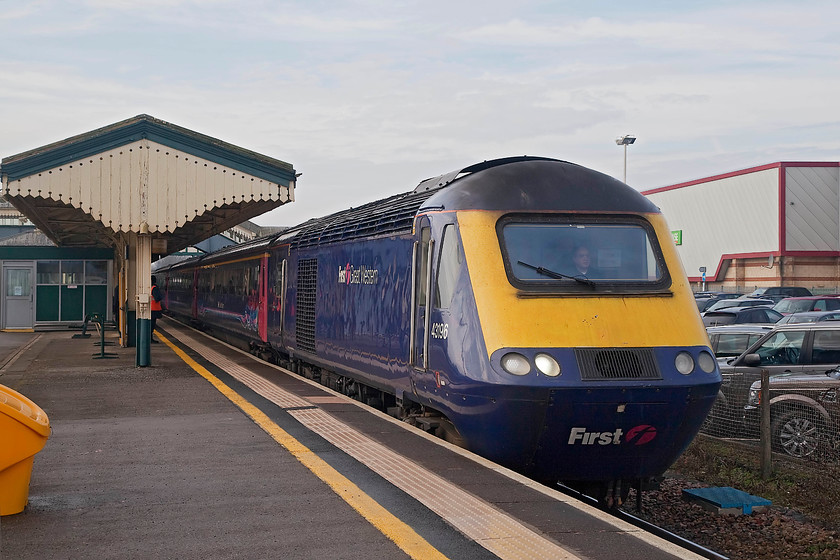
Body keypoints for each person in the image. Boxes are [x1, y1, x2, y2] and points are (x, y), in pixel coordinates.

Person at [150, 275, 163, 343]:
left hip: (151, 309)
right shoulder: (154, 288)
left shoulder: (150, 288)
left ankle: (150, 338)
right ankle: (150, 339)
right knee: (152, 325)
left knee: (151, 325)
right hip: (154, 309)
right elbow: (158, 298)